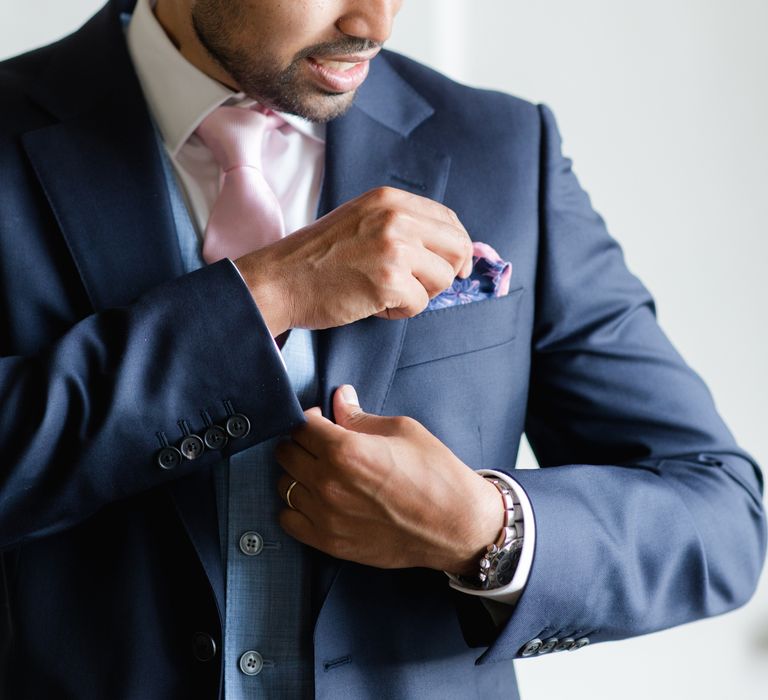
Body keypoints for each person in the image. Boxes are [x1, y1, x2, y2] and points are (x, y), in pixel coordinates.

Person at [0, 0, 764, 698]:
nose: (376, 22)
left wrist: (483, 527)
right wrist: (268, 294)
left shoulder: (501, 149)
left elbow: (721, 516)